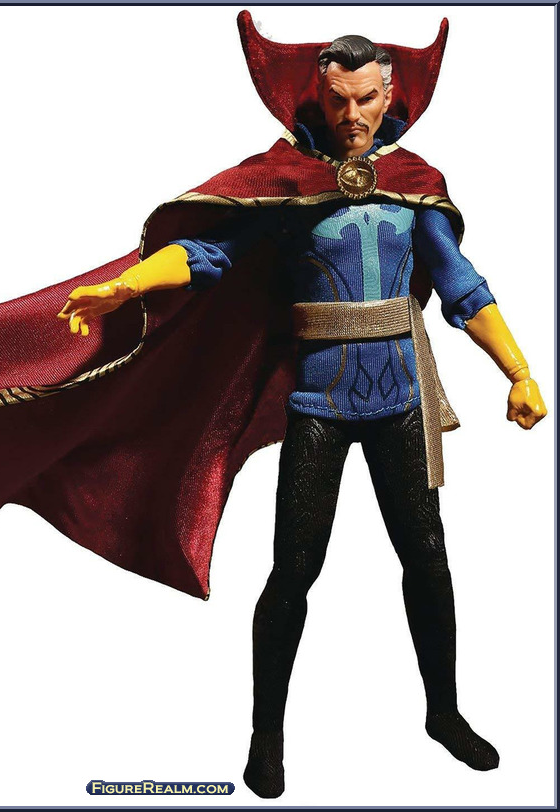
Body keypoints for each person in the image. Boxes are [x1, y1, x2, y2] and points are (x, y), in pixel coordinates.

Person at [57, 30, 547, 799]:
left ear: (390, 97)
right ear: (319, 97)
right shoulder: (286, 183)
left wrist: (517, 372)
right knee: (292, 570)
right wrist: (126, 286)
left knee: (427, 561)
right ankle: (266, 737)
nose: (352, 115)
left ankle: (444, 713)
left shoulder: (414, 185)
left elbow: (462, 286)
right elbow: (210, 254)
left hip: (399, 400)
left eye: (366, 98)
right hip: (318, 402)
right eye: (338, 100)